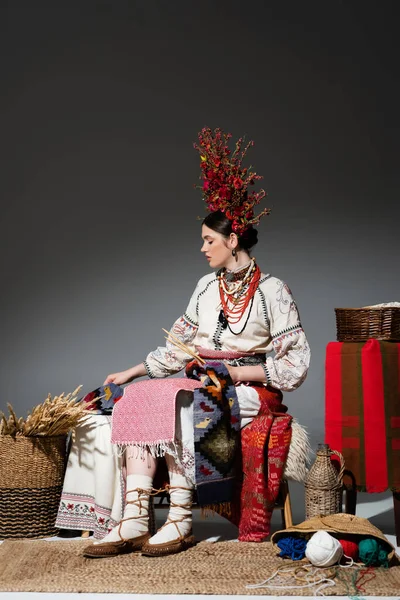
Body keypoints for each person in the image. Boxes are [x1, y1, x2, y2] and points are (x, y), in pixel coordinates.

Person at [83, 127, 311, 558]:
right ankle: (133, 516)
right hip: (201, 377)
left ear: (233, 240)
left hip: (250, 389)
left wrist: (237, 371)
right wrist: (132, 372)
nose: (203, 248)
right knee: (135, 399)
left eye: (209, 240)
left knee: (187, 407)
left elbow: (296, 363)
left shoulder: (273, 291)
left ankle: (181, 517)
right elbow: (178, 345)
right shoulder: (206, 287)